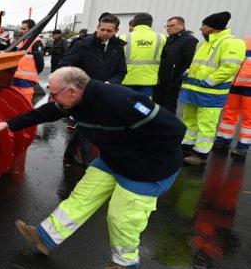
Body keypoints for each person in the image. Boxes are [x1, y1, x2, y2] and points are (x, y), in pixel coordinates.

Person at [0, 67, 184, 269]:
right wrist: (8, 124)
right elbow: (46, 112)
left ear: (72, 90)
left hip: (147, 170)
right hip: (113, 159)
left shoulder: (122, 101)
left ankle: (124, 265)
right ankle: (46, 236)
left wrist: (139, 156)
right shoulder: (75, 101)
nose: (52, 97)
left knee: (122, 218)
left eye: (55, 92)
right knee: (83, 195)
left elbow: (175, 130)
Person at [59, 14, 127, 165]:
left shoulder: (118, 47)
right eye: (102, 29)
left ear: (116, 30)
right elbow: (65, 65)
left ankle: (69, 155)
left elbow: (121, 71)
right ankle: (88, 163)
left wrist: (110, 83)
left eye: (109, 31)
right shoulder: (83, 45)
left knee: (85, 125)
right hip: (84, 92)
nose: (104, 33)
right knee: (89, 125)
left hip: (104, 93)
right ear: (97, 27)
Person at [179, 11, 246, 166]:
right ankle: (187, 147)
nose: (201, 28)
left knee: (206, 124)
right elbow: (197, 64)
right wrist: (188, 73)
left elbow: (229, 67)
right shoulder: (203, 43)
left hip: (210, 93)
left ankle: (200, 154)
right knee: (189, 120)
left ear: (214, 28)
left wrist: (209, 81)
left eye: (204, 25)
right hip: (193, 90)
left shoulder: (232, 43)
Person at [213, 36, 251, 160]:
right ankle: (223, 140)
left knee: (249, 118)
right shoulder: (245, 40)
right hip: (235, 83)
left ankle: (243, 146)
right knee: (229, 113)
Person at [154, 16, 198, 113]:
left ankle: (168, 127)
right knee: (156, 106)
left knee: (169, 107)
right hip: (161, 80)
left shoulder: (189, 40)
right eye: (167, 26)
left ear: (182, 25)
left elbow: (189, 63)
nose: (169, 28)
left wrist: (177, 80)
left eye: (172, 25)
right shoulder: (168, 39)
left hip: (174, 82)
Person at [119, 13, 166, 96]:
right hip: (148, 80)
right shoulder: (161, 37)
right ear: (150, 23)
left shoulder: (123, 37)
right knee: (144, 107)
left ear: (134, 23)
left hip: (126, 78)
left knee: (125, 105)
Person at [11, 19, 45, 100]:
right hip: (16, 77)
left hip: (26, 79)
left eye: (24, 29)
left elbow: (40, 62)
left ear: (31, 29)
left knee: (25, 101)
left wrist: (34, 73)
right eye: (21, 28)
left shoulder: (36, 42)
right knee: (14, 100)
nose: (21, 31)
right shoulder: (22, 40)